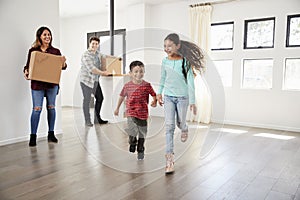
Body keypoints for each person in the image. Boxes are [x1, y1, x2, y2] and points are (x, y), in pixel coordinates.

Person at [157, 33, 204, 174]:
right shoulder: (165, 61)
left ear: (177, 46)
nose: (167, 48)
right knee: (169, 126)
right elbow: (162, 78)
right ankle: (169, 160)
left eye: (170, 46)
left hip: (183, 97)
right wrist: (159, 93)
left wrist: (193, 101)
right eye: (165, 46)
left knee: (180, 123)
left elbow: (190, 81)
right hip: (169, 98)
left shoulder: (185, 62)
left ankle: (184, 128)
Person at [23, 26, 67, 147]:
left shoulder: (56, 51)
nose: (48, 37)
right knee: (37, 109)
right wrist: (26, 72)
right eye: (45, 35)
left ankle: (51, 134)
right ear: (39, 37)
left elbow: (62, 67)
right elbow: (27, 66)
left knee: (51, 108)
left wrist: (63, 62)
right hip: (37, 85)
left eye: (49, 35)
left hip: (52, 85)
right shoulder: (33, 51)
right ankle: (33, 136)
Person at [114, 61, 157, 160]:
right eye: (136, 71)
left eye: (141, 71)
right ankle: (132, 142)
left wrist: (154, 101)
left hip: (143, 113)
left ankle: (141, 149)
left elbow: (154, 94)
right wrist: (117, 108)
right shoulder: (127, 86)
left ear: (144, 72)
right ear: (130, 73)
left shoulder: (147, 85)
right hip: (131, 112)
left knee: (142, 133)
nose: (139, 74)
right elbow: (121, 96)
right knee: (132, 129)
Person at [80, 36, 111, 127]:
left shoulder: (98, 53)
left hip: (95, 81)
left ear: (98, 45)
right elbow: (92, 69)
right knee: (87, 100)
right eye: (93, 43)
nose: (94, 45)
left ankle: (97, 119)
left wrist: (116, 58)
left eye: (96, 44)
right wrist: (103, 73)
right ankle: (87, 120)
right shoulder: (86, 55)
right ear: (90, 44)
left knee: (100, 98)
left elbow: (105, 57)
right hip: (86, 80)